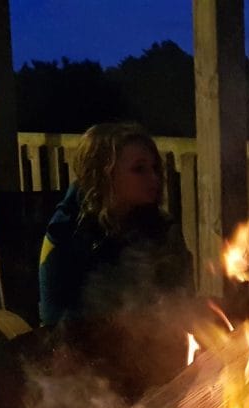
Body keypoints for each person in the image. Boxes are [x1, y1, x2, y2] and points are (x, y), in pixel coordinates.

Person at [38, 122, 195, 328]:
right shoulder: (65, 234)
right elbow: (55, 321)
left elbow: (182, 299)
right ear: (104, 174)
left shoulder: (162, 228)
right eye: (139, 169)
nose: (154, 178)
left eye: (155, 168)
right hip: (83, 350)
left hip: (154, 344)